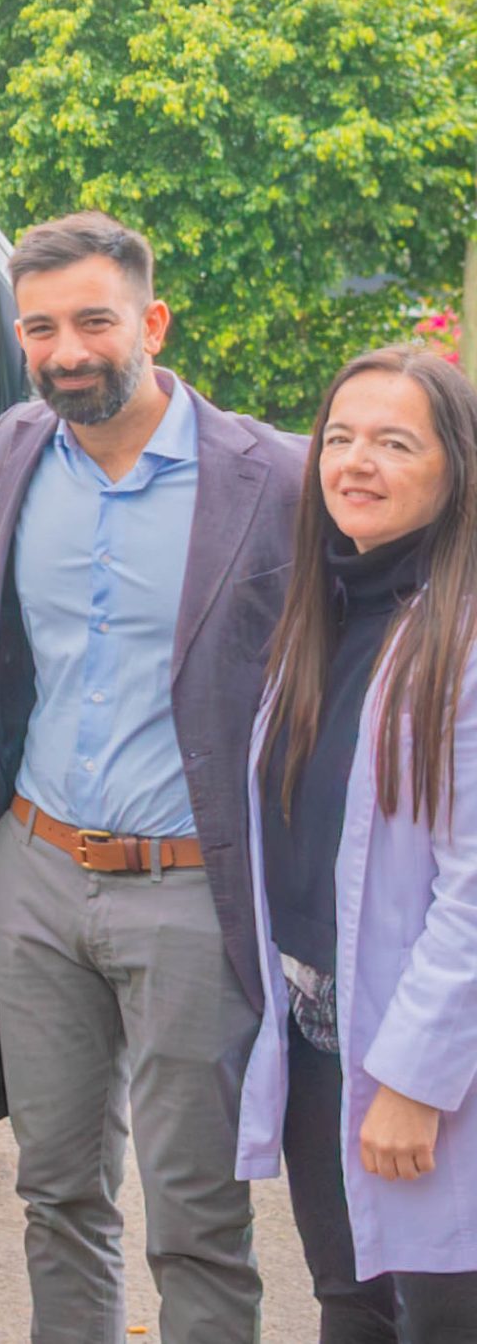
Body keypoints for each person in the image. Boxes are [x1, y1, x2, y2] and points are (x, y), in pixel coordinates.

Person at [0, 210, 304, 1344]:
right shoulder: (13, 451)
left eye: (94, 322)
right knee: (55, 1192)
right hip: (34, 871)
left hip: (190, 891)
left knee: (197, 1216)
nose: (66, 350)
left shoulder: (270, 478)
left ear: (152, 322)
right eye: (40, 328)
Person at [237, 345, 477, 1341]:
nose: (355, 462)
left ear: (456, 468)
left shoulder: (462, 636)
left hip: (427, 1059)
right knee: (348, 1304)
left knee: (442, 1315)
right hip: (318, 1030)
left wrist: (414, 1082)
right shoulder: (326, 612)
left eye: (394, 443)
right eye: (338, 438)